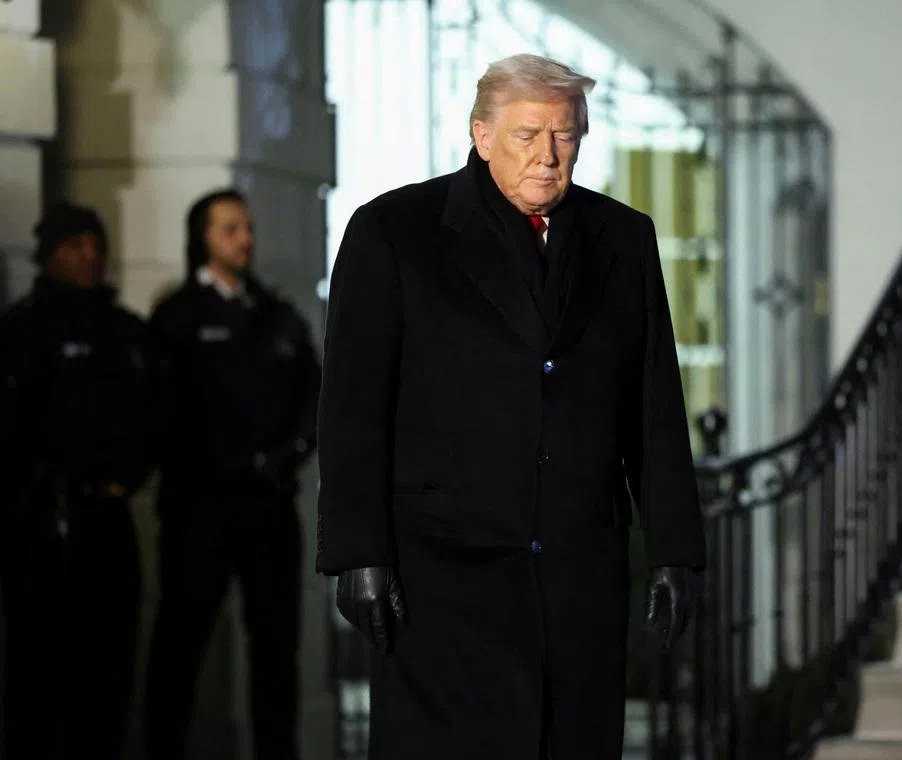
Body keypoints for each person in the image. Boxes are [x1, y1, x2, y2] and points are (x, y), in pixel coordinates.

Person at [317, 53, 707, 760]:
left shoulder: (624, 238)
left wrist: (675, 550)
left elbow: (653, 404)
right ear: (482, 134)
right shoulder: (395, 232)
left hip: (577, 568)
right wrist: (357, 552)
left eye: (567, 135)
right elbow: (352, 406)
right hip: (440, 577)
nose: (550, 156)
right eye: (529, 135)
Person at [143, 189, 321, 760]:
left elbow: (313, 396)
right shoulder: (176, 318)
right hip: (201, 510)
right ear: (204, 238)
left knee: (276, 651)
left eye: (247, 227)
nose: (245, 239)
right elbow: (163, 416)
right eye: (230, 229)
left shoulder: (275, 315)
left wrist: (290, 454)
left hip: (268, 506)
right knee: (181, 644)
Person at [0, 203, 154, 759]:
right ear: (49, 254)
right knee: (37, 675)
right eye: (75, 245)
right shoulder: (22, 331)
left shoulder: (126, 332)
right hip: (40, 527)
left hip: (108, 518)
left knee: (109, 668)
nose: (90, 255)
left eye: (96, 244)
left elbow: (157, 418)